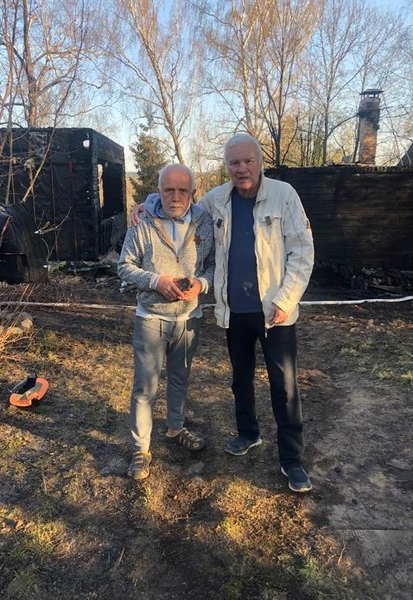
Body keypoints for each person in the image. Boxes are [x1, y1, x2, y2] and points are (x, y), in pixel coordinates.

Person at [132, 133, 314, 492]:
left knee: (285, 387)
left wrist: (286, 300)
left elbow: (303, 251)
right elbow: (179, 201)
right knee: (240, 379)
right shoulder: (217, 199)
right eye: (234, 163)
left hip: (275, 312)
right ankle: (248, 433)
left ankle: (292, 460)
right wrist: (146, 203)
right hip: (235, 312)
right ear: (227, 166)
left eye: (248, 161)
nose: (241, 169)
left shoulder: (284, 196)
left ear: (260, 162)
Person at [118, 164, 215, 480]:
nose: (175, 197)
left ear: (192, 193)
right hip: (151, 318)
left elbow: (214, 266)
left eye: (182, 190)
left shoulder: (204, 221)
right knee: (145, 387)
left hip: (189, 319)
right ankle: (140, 449)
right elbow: (124, 266)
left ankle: (175, 428)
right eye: (168, 190)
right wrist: (155, 281)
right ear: (158, 191)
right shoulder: (142, 221)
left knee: (180, 379)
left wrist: (202, 284)